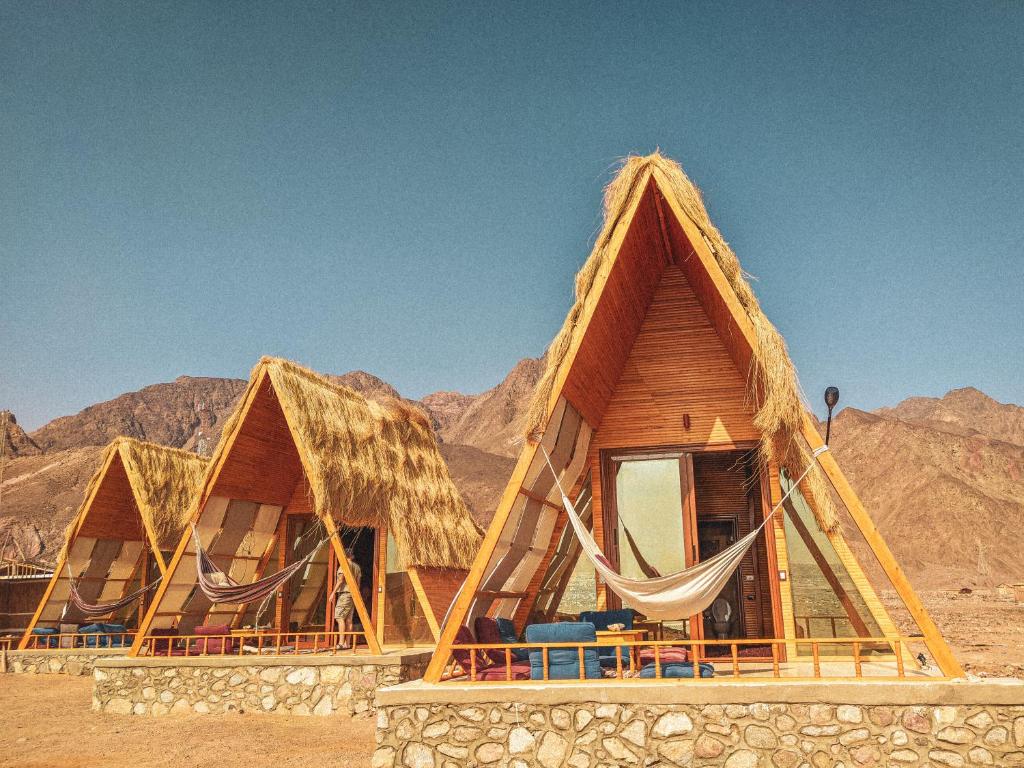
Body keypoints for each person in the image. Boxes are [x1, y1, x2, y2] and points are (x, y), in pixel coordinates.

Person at [332, 549, 362, 649]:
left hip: (345, 594)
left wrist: (333, 593)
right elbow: (358, 583)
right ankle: (347, 643)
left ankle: (341, 643)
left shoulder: (344, 566)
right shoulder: (357, 567)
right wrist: (356, 594)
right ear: (352, 556)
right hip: (353, 594)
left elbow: (340, 580)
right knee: (349, 620)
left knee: (339, 617)